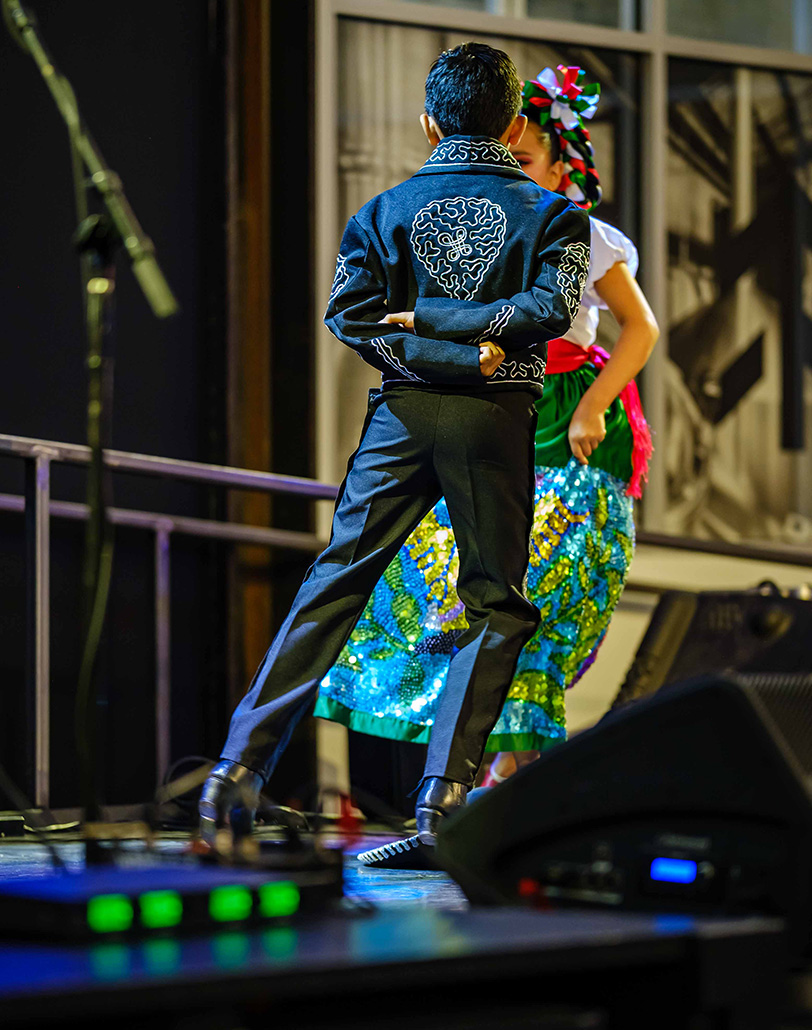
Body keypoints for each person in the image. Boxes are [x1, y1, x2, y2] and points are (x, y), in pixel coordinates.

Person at [199, 44, 591, 847]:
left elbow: (352, 318)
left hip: (402, 417)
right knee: (496, 604)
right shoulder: (558, 217)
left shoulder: (380, 212)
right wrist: (473, 349)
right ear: (515, 122)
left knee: (334, 584)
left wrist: (434, 327)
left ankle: (233, 772)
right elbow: (549, 309)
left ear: (427, 122)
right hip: (493, 419)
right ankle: (440, 799)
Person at [313, 66, 658, 849]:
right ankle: (472, 796)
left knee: (524, 609)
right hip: (490, 412)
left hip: (566, 421)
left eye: (527, 158)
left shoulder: (579, 231)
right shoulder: (479, 218)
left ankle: (489, 807)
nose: (510, 167)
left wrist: (599, 405)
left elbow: (640, 329)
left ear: (556, 160)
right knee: (428, 588)